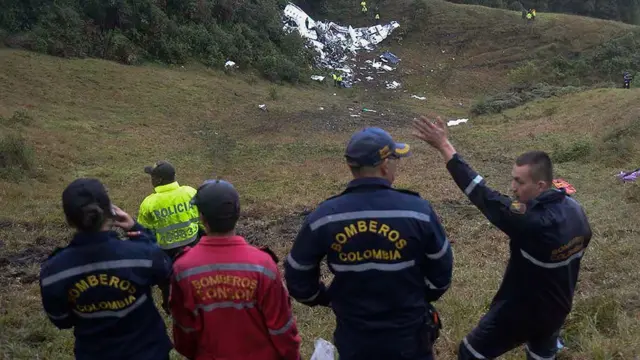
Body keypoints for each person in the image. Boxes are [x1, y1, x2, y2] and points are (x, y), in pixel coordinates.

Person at [412, 115, 593, 360]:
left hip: (520, 313)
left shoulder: (530, 222)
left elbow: (482, 194)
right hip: (558, 309)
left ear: (540, 185)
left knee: (469, 352)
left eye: (519, 181)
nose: (512, 187)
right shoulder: (575, 210)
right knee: (541, 354)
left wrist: (445, 146)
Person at [284, 127, 454, 360]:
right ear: (385, 165)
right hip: (410, 337)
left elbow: (297, 275)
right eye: (396, 158)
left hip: (355, 338)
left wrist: (326, 297)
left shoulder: (324, 217)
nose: (397, 165)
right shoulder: (418, 212)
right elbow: (442, 272)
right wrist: (420, 296)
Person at [39, 178, 173, 360]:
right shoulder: (142, 255)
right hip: (149, 352)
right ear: (110, 212)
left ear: (69, 220)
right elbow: (165, 269)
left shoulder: (54, 272)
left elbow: (62, 320)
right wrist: (138, 230)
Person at [169, 179, 301, 360]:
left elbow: (184, 333)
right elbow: (281, 328)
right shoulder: (263, 265)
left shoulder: (183, 268)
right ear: (237, 213)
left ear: (202, 217)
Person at [137, 160, 203, 311]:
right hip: (192, 246)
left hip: (165, 253)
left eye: (152, 177)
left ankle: (170, 307)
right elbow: (200, 219)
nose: (151, 180)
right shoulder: (189, 192)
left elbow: (144, 231)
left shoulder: (149, 203)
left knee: (167, 284)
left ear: (159, 180)